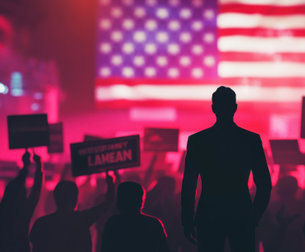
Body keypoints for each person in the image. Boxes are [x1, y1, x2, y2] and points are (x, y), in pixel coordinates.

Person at [181, 86, 272, 252]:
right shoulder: (250, 140)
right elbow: (264, 183)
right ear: (235, 107)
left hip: (209, 212)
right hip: (241, 212)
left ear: (213, 108)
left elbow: (189, 184)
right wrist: (255, 214)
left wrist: (187, 219)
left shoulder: (197, 141)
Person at [29, 172, 114, 252]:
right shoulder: (82, 219)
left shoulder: (41, 223)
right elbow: (108, 203)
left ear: (55, 198)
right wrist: (110, 183)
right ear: (75, 199)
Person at [101, 181, 169, 252]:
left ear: (119, 200)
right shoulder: (153, 223)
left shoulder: (113, 223)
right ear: (141, 200)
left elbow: (105, 248)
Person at [0, 151, 43, 252]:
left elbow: (16, 187)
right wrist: (37, 166)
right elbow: (36, 191)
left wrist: (25, 167)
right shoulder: (23, 213)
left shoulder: (3, 212)